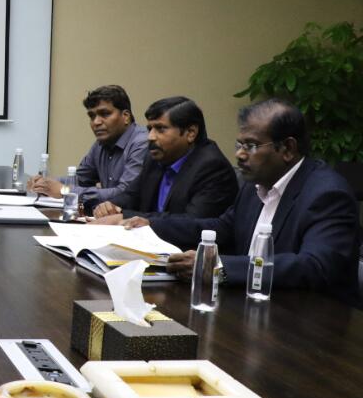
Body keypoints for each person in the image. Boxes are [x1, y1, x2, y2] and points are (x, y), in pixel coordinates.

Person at [141, 99, 361, 304]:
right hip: (250, 303)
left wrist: (219, 266)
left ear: (287, 149)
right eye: (239, 144)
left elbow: (314, 266)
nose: (240, 155)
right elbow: (223, 228)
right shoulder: (256, 183)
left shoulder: (327, 195)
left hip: (310, 316)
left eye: (251, 146)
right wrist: (150, 225)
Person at [91, 96, 237, 222]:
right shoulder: (155, 157)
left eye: (160, 129)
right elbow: (131, 196)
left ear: (190, 133)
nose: (150, 137)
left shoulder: (212, 167)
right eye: (150, 129)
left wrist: (124, 216)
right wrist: (109, 207)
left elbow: (192, 222)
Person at [29, 84, 148, 210]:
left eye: (105, 114)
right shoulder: (101, 144)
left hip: (136, 218)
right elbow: (81, 179)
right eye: (92, 116)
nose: (96, 122)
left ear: (126, 117)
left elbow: (124, 194)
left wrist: (65, 191)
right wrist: (45, 184)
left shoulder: (142, 143)